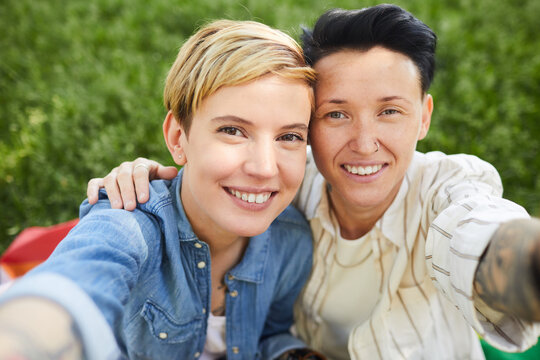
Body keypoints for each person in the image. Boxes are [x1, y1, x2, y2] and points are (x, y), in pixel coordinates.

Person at [89, 4, 540, 360]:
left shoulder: (447, 188)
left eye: (390, 111)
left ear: (423, 117)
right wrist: (151, 177)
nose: (365, 144)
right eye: (336, 114)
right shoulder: (281, 178)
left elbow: (478, 235)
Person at [0, 19, 328, 360]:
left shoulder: (292, 243)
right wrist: (23, 338)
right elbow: (78, 281)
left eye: (288, 137)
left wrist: (289, 353)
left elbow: (269, 334)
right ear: (177, 138)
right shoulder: (130, 224)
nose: (264, 168)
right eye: (232, 130)